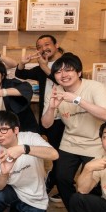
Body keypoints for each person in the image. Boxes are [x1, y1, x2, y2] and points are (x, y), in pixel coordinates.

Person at [41, 53, 106, 212]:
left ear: (79, 72)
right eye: (58, 72)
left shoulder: (95, 87)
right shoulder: (55, 91)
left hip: (96, 142)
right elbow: (46, 124)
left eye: (68, 70)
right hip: (70, 141)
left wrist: (77, 100)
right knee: (62, 178)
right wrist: (51, 107)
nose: (63, 75)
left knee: (91, 183)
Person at [15, 34, 65, 200]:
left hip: (66, 115)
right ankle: (55, 180)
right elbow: (20, 73)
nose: (44, 48)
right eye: (39, 47)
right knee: (55, 150)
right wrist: (23, 62)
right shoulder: (41, 66)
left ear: (56, 45)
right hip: (48, 115)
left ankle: (58, 182)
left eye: (47, 44)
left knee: (63, 154)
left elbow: (63, 81)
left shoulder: (68, 62)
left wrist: (44, 67)